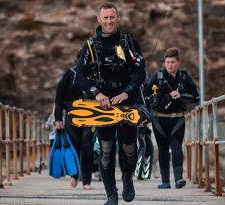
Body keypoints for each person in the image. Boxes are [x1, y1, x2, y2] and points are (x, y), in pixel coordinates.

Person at [75, 2, 146, 204]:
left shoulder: (129, 42)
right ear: (98, 20)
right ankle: (111, 194)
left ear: (118, 18)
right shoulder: (90, 46)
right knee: (106, 149)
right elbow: (79, 76)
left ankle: (127, 178)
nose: (108, 21)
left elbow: (141, 72)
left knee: (129, 149)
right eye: (105, 17)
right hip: (102, 107)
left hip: (127, 103)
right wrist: (96, 93)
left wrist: (127, 92)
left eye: (112, 17)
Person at [144, 47, 199, 189]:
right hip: (159, 119)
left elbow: (196, 97)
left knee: (176, 147)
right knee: (162, 149)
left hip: (177, 118)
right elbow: (145, 95)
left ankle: (179, 179)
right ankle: (165, 182)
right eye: (168, 62)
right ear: (164, 63)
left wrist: (181, 96)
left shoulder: (185, 77)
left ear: (178, 62)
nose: (170, 65)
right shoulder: (157, 77)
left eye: (173, 62)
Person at [54, 52, 94, 190]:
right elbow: (59, 98)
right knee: (74, 147)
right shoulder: (70, 74)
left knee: (88, 148)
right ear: (79, 60)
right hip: (72, 115)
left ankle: (87, 181)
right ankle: (74, 175)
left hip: (91, 115)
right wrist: (58, 118)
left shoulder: (95, 74)